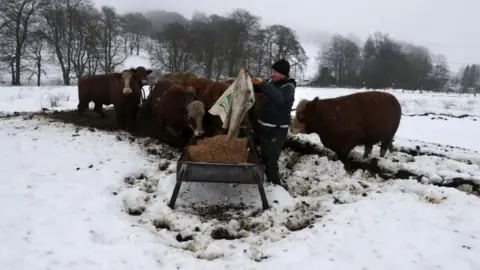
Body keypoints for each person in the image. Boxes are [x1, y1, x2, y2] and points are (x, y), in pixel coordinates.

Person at [248, 59, 296, 186]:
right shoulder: (270, 82)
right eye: (273, 71)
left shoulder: (288, 87)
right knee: (263, 157)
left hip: (278, 130)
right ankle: (265, 181)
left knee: (271, 159)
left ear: (283, 74)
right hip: (264, 127)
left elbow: (279, 99)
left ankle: (276, 186)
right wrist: (250, 79)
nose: (273, 74)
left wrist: (264, 85)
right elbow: (259, 88)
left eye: (276, 72)